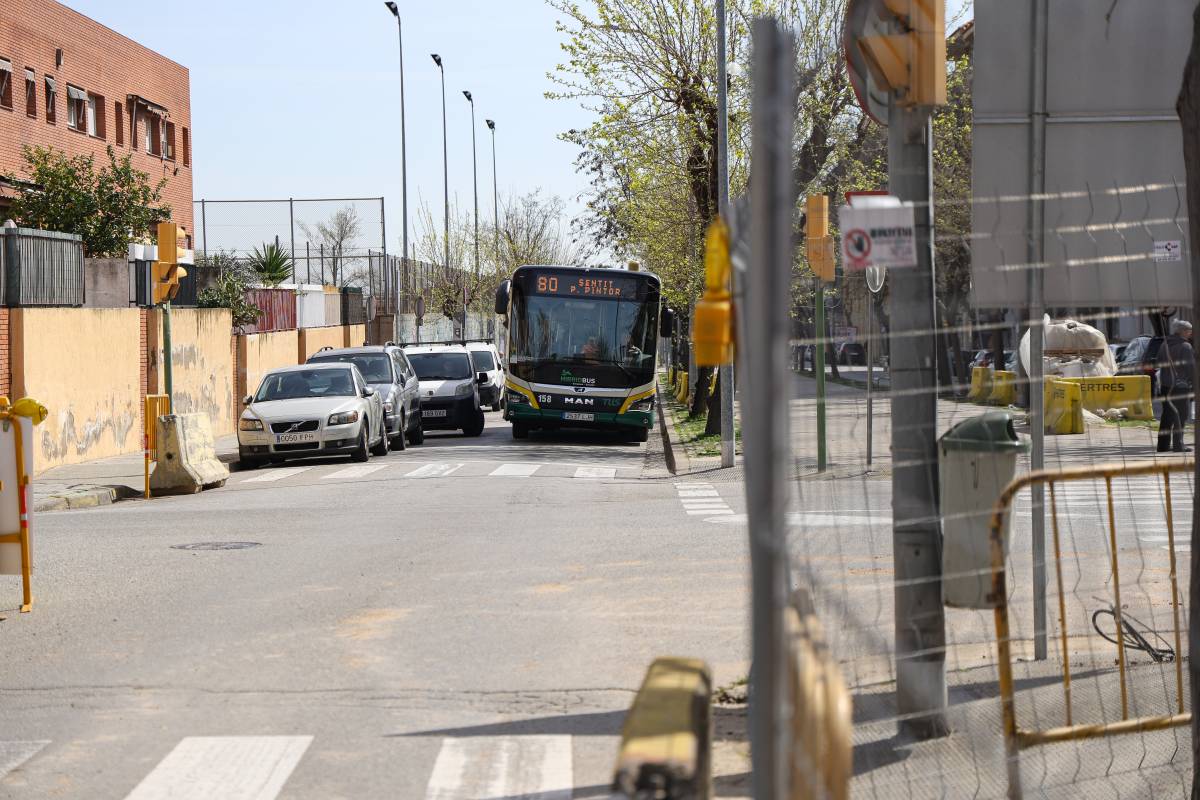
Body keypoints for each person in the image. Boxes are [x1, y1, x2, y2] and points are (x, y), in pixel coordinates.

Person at [1157, 319, 1194, 453]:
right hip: (1180, 386)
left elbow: (1159, 363)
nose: (1190, 333)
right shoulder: (1185, 346)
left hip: (1166, 385)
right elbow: (1191, 368)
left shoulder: (1164, 344)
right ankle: (1178, 445)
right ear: (1183, 331)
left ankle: (1162, 446)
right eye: (1189, 330)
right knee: (1181, 415)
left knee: (1167, 415)